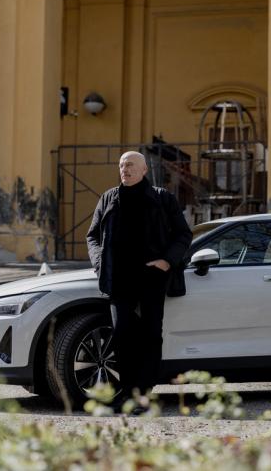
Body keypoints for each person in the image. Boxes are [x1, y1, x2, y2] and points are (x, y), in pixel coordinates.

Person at [86, 151, 192, 411]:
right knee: (121, 333)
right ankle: (127, 390)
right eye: (122, 165)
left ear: (145, 170)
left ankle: (143, 394)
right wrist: (100, 263)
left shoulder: (162, 198)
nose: (125, 169)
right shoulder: (108, 198)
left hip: (152, 278)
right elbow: (92, 237)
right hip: (118, 279)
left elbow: (183, 234)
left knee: (151, 336)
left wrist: (167, 261)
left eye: (131, 165)